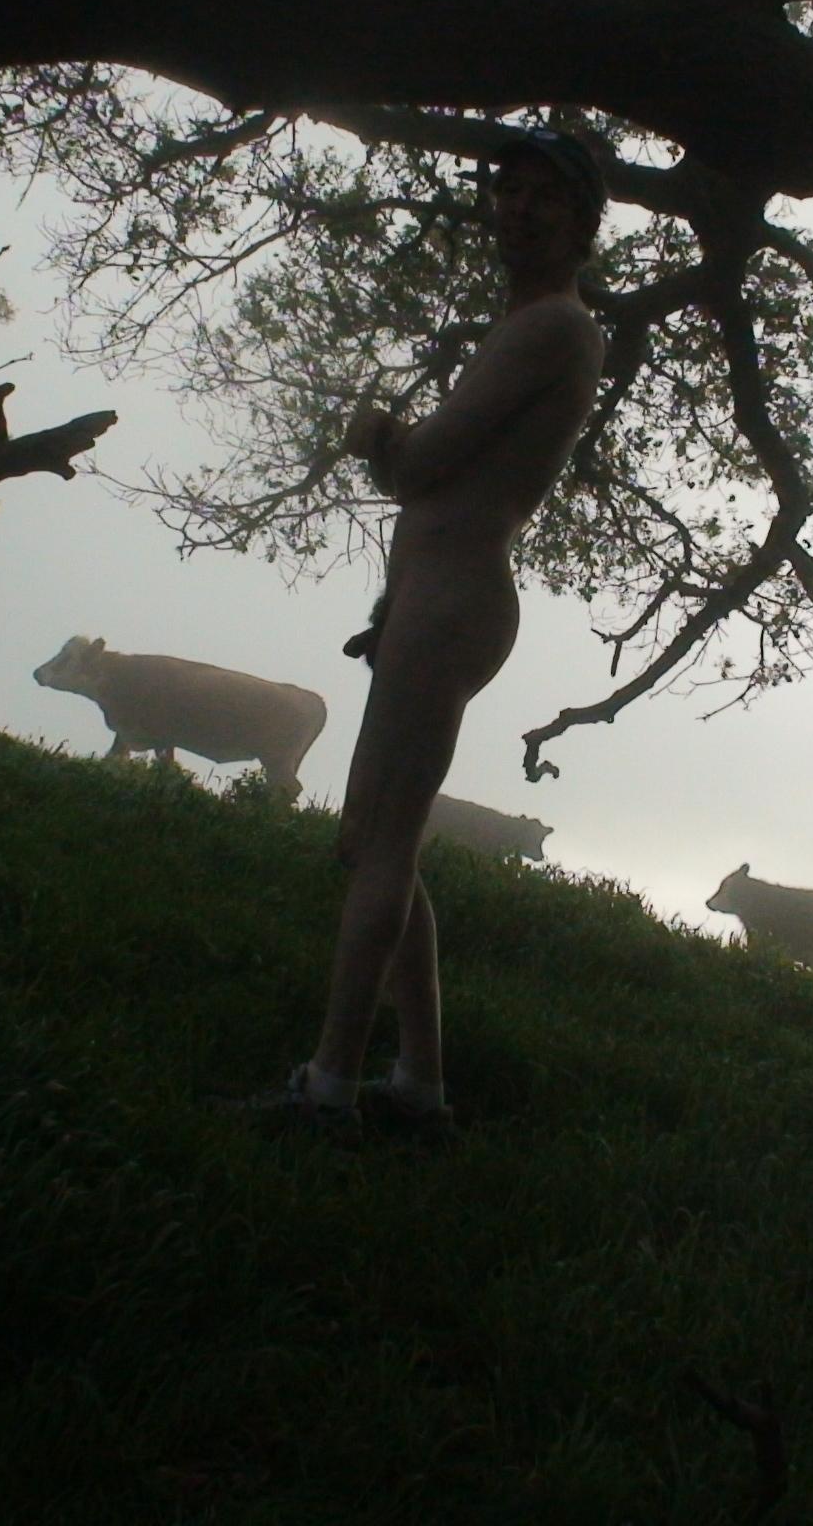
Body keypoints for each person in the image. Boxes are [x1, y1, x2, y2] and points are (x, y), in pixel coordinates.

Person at [262, 127, 609, 1134]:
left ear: (583, 224)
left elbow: (421, 468)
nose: (518, 208)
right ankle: (418, 1083)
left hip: (456, 602)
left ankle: (330, 1085)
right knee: (374, 840)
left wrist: (374, 431)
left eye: (544, 196)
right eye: (509, 190)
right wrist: (390, 607)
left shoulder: (554, 327)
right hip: (431, 601)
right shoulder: (531, 325)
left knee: (380, 843)